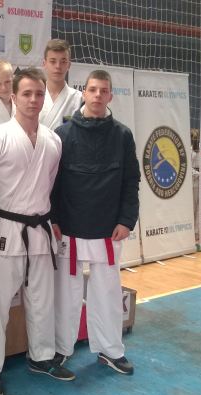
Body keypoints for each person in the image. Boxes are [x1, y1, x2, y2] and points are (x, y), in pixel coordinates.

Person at [0, 67, 72, 395]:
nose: (33, 100)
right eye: (27, 94)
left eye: (39, 94)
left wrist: (53, 220)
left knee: (42, 301)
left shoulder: (53, 140)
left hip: (41, 231)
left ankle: (42, 357)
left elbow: (50, 185)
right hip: (6, 230)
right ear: (13, 96)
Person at [51, 69, 140, 375]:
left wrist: (127, 219)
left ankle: (110, 349)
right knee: (66, 294)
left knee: (108, 293)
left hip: (108, 229)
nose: (98, 95)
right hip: (70, 228)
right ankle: (61, 348)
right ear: (84, 93)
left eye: (103, 90)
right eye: (93, 89)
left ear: (110, 96)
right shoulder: (63, 135)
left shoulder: (122, 136)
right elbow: (53, 183)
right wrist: (54, 219)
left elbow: (131, 181)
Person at [39, 39, 81, 130]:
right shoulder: (34, 96)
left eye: (63, 62)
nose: (58, 66)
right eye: (53, 61)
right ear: (44, 64)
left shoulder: (79, 98)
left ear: (69, 65)